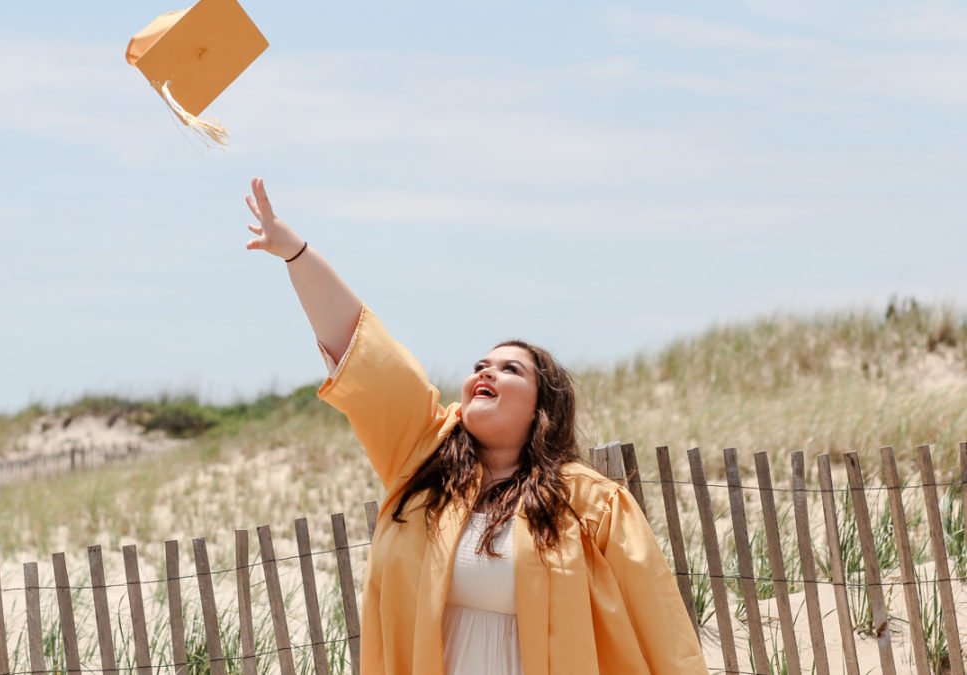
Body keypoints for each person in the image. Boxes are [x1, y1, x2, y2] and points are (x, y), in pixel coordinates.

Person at [244, 177, 708, 674]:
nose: (486, 372)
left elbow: (658, 626)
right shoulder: (421, 455)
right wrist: (296, 253)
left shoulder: (592, 504)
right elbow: (364, 353)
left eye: (511, 370)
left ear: (541, 409)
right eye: (481, 365)